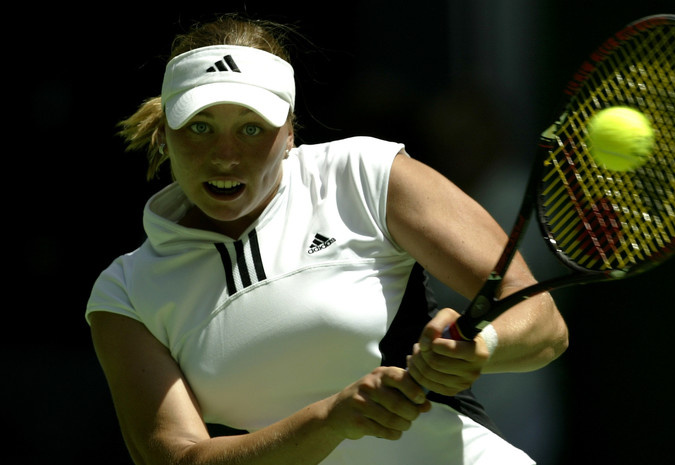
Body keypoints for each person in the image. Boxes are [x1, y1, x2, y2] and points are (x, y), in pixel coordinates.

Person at [86, 14, 568, 465]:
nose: (225, 155)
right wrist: (330, 420)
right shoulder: (126, 293)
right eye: (200, 127)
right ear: (165, 133)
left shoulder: (364, 174)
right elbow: (176, 456)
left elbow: (542, 323)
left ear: (290, 132)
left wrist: (482, 345)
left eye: (252, 129)